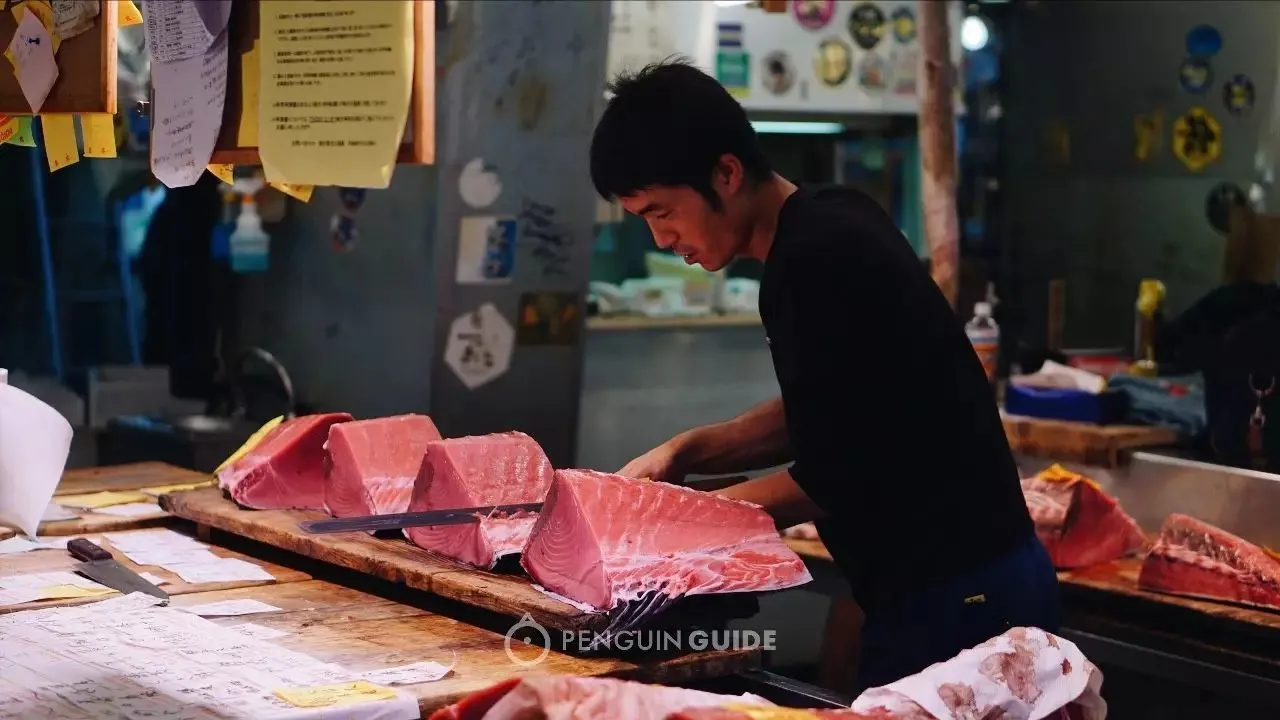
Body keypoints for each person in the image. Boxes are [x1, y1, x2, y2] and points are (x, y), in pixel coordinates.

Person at [588, 59, 1060, 690]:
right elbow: (840, 407)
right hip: (954, 585)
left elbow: (837, 471)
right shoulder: (830, 218)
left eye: (662, 211)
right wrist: (689, 451)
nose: (661, 238)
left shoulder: (816, 257)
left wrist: (669, 523)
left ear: (726, 173)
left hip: (964, 595)